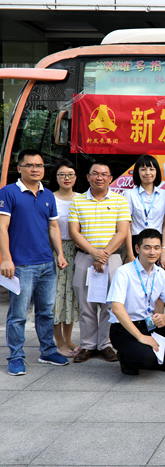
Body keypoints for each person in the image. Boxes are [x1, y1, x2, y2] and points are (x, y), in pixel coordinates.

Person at [0, 149, 69, 375]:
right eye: (29, 165)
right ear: (19, 168)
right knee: (18, 315)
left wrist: (59, 254)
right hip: (21, 265)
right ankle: (16, 357)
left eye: (39, 165)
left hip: (47, 263)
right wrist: (6, 259)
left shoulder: (47, 194)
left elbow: (53, 227)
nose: (35, 169)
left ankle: (47, 351)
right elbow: (2, 227)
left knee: (46, 312)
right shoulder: (8, 193)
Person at [107, 229, 165, 375]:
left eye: (156, 248)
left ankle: (160, 360)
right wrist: (140, 336)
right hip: (124, 328)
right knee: (146, 360)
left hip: (148, 324)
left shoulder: (160, 273)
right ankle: (125, 358)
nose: (152, 252)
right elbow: (117, 309)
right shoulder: (123, 272)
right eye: (147, 247)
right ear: (137, 249)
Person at [69, 161, 131, 363]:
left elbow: (122, 232)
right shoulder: (77, 201)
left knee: (110, 305)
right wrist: (94, 253)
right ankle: (88, 346)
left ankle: (106, 345)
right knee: (86, 305)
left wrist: (103, 255)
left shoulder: (120, 200)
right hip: (85, 257)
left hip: (111, 259)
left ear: (110, 178)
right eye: (95, 173)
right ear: (88, 177)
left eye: (104, 174)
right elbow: (74, 232)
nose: (99, 177)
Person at [49, 159, 81, 358]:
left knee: (71, 296)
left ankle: (68, 339)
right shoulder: (49, 198)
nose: (66, 178)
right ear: (56, 177)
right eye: (62, 175)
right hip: (55, 252)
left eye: (70, 174)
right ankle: (59, 342)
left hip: (77, 252)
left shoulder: (81, 199)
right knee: (56, 297)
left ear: (76, 178)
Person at [124, 155, 165, 269]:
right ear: (137, 172)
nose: (147, 173)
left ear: (156, 172)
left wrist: (164, 250)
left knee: (157, 277)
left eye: (151, 169)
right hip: (137, 242)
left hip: (157, 243)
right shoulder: (129, 194)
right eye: (143, 169)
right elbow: (127, 226)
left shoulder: (164, 195)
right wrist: (130, 253)